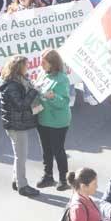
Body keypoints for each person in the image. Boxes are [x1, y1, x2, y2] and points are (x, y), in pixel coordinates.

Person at [0, 54, 41, 197]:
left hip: (15, 124)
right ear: (19, 68)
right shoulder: (12, 86)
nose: (28, 67)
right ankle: (23, 186)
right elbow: (21, 105)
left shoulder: (17, 81)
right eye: (25, 65)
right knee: (21, 157)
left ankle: (16, 181)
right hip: (16, 126)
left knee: (19, 155)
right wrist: (34, 92)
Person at [34, 48, 72, 191]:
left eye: (43, 62)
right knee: (46, 150)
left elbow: (64, 102)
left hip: (58, 122)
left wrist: (53, 97)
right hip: (43, 119)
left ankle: (64, 179)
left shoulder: (62, 79)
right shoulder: (42, 74)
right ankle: (48, 176)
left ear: (52, 63)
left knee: (58, 150)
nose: (40, 64)